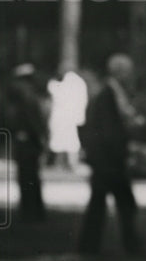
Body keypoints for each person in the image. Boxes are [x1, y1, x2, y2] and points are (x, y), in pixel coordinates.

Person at [77, 53, 144, 255]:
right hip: (109, 160)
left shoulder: (111, 92)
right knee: (124, 204)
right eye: (128, 71)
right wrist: (124, 152)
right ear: (120, 72)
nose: (130, 75)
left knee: (101, 204)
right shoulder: (108, 95)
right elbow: (109, 132)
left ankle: (89, 247)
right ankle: (130, 246)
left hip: (105, 159)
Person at [5, 63, 48, 222]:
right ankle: (34, 210)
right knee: (31, 175)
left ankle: (30, 210)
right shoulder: (27, 93)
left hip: (25, 139)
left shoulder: (20, 93)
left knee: (26, 175)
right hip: (29, 139)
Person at [47, 64, 89, 170]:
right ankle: (65, 163)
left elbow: (57, 92)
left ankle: (69, 163)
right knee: (64, 141)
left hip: (67, 118)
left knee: (68, 141)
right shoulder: (77, 83)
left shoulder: (73, 83)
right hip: (67, 119)